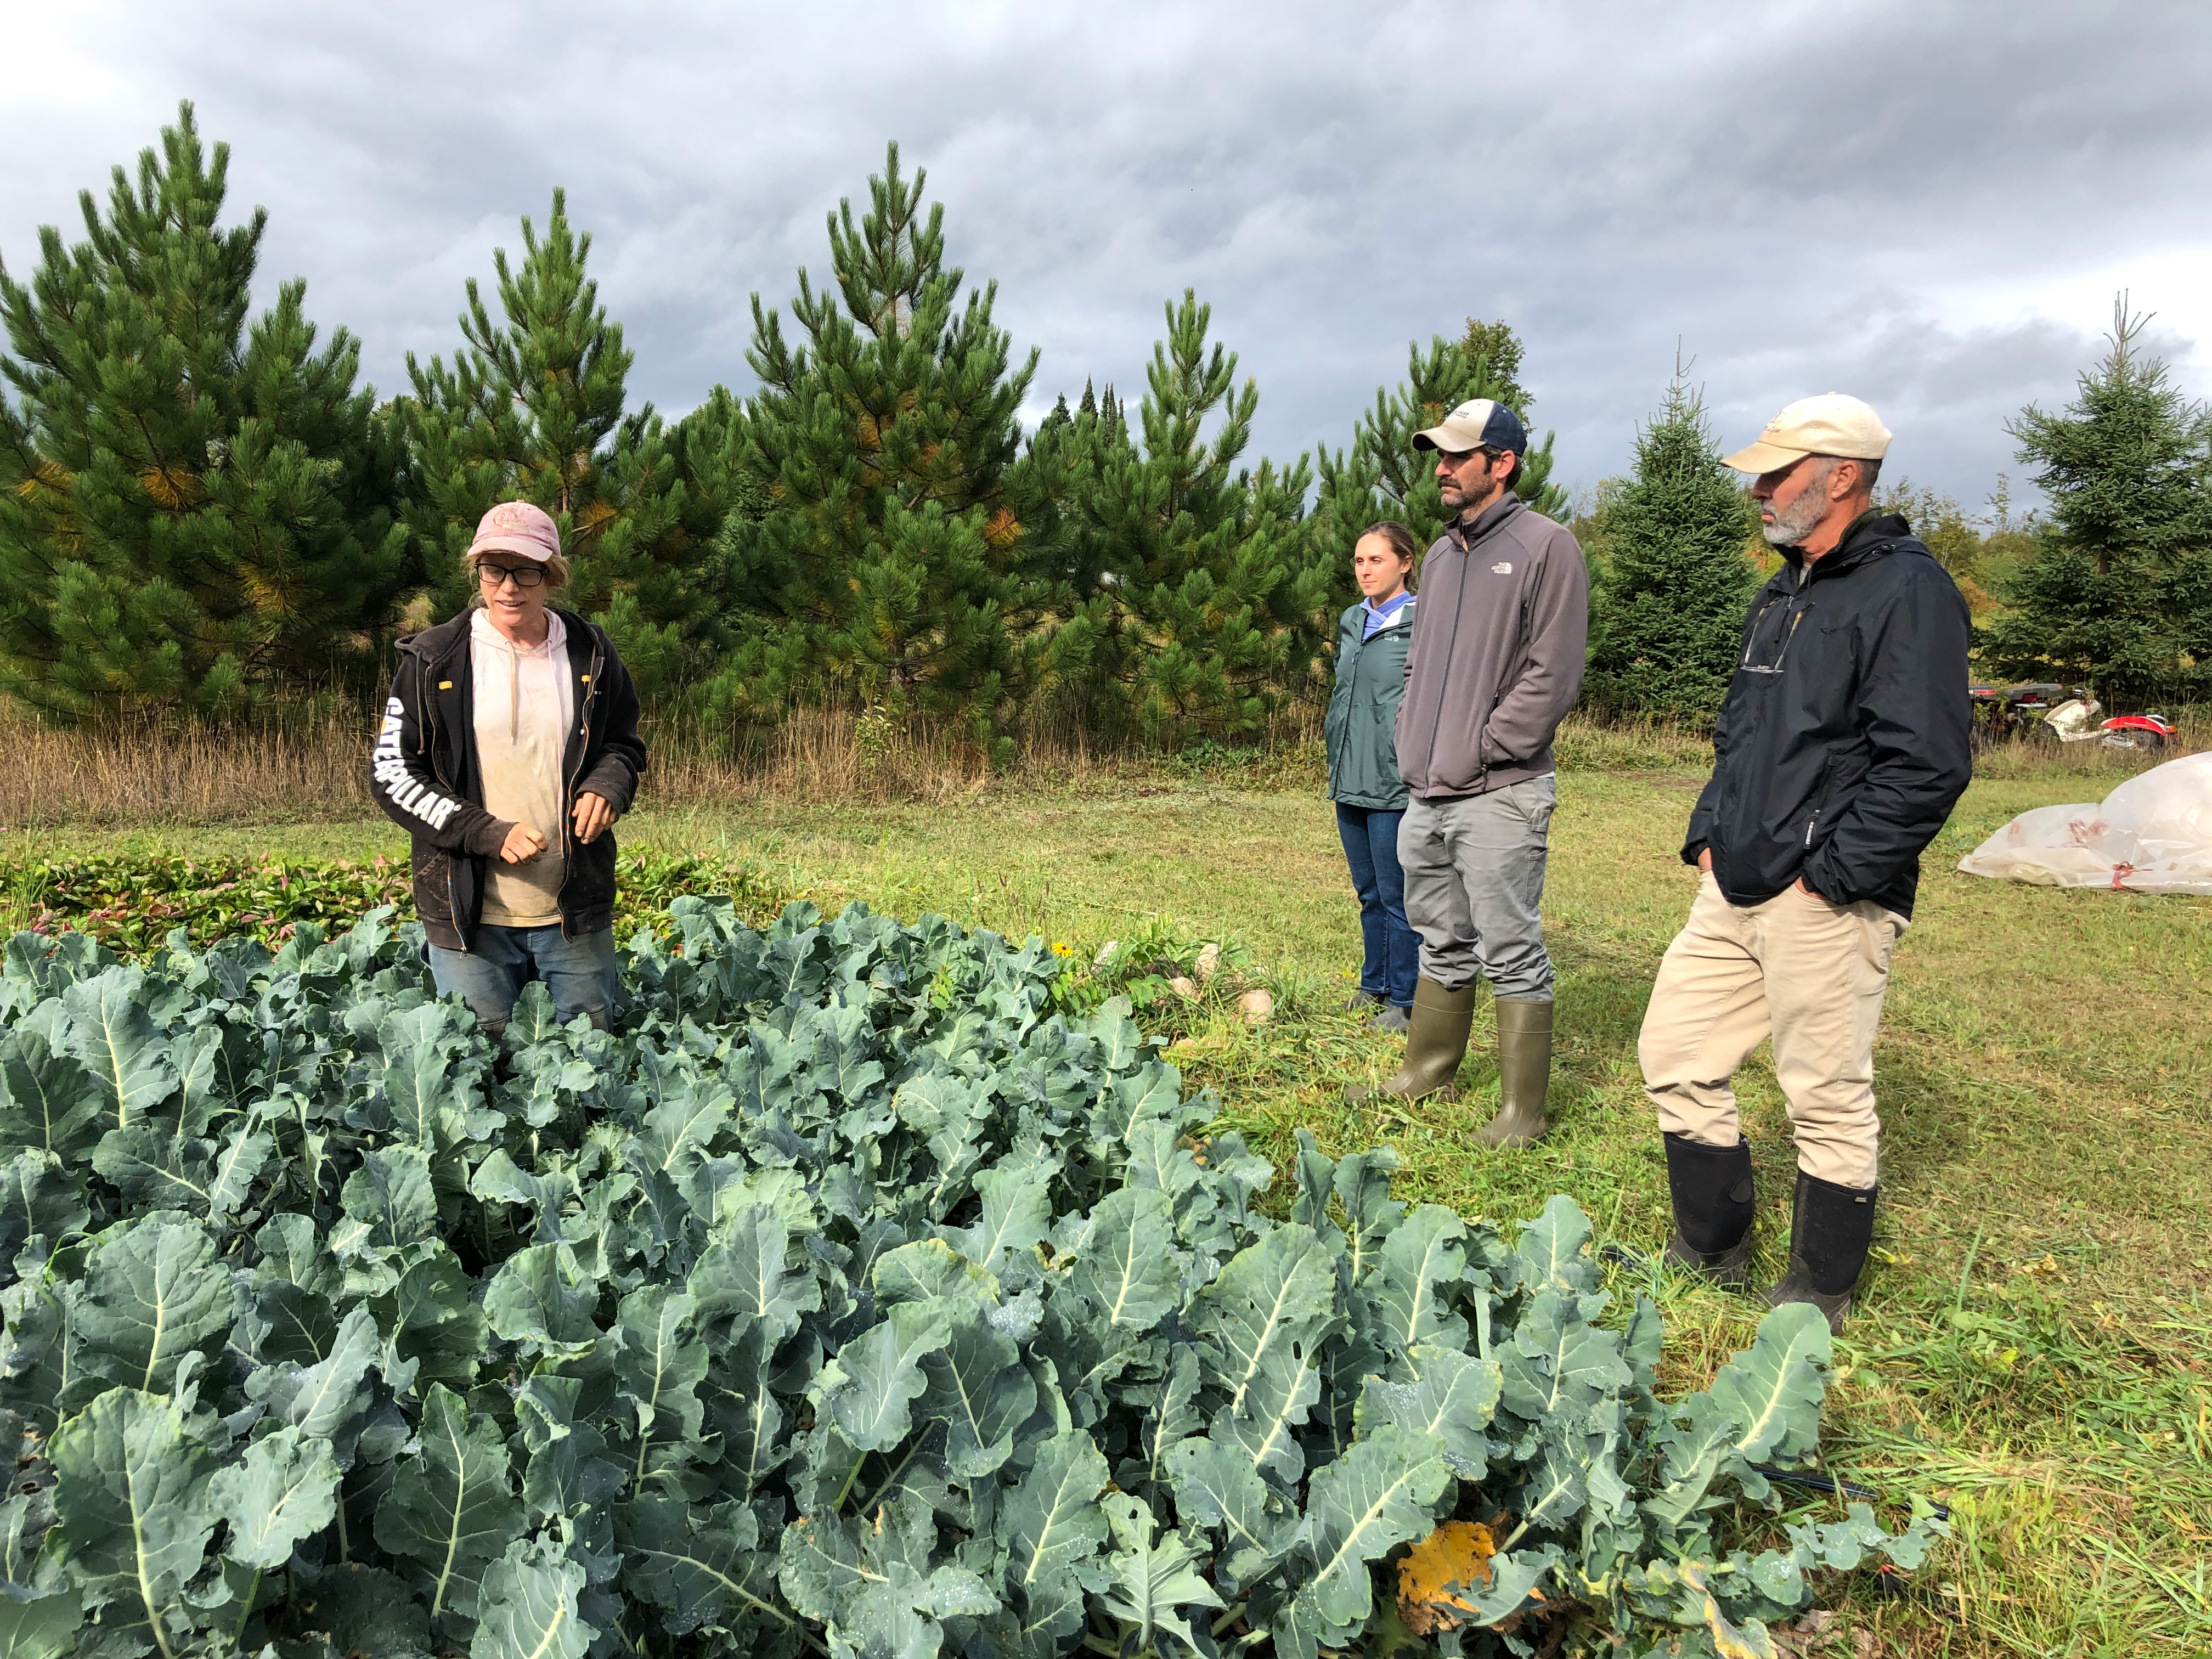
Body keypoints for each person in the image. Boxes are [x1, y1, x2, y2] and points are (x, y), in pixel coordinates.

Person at [1638, 394, 1971, 1331]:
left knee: (1822, 1091)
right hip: (1733, 879)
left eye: (1776, 473)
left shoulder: (1907, 590)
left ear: (1841, 478)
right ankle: (1708, 1249)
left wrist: (1828, 874)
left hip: (1823, 896)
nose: (1757, 489)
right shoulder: (1784, 589)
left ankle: (1815, 1293)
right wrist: (1709, 831)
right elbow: (1739, 731)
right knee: (1674, 1052)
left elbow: (1928, 762)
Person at [1351, 399, 1589, 1149]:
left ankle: (1523, 1113)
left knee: (1509, 946)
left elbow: (1553, 674)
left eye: (1458, 455)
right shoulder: (1446, 553)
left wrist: (1485, 747)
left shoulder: (1549, 548)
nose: (1443, 468)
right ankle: (1429, 1067)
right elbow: (1420, 661)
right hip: (1425, 789)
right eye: (1439, 455)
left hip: (1500, 791)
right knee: (1439, 935)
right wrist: (1411, 739)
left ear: (1503, 463)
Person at [369, 500, 647, 1035]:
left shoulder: (591, 654)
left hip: (573, 914)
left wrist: (608, 786)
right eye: (494, 569)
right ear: (478, 573)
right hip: (472, 919)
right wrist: (484, 832)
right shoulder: (433, 661)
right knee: (480, 1071)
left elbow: (623, 743)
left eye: (526, 571)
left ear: (552, 575)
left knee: (585, 1067)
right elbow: (392, 772)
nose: (509, 587)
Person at [1325, 522, 1422, 1032]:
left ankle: (1407, 1000)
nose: (1365, 570)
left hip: (1393, 779)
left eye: (1376, 560)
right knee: (1367, 892)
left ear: (1405, 562)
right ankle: (1375, 986)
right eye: (1359, 561)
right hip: (1349, 772)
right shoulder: (1350, 620)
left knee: (1398, 893)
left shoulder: (1422, 620)